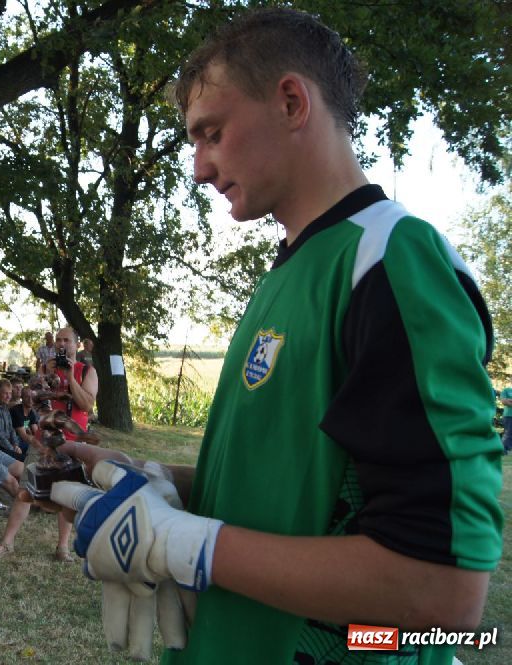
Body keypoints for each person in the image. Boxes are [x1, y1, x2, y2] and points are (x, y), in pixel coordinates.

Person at [48, 9, 503, 664]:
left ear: (291, 101)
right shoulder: (292, 268)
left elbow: (445, 593)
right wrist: (163, 485)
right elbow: (300, 492)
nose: (199, 168)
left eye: (212, 133)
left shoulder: (390, 262)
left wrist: (187, 543)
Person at [0, 326, 97, 561]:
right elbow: (32, 402)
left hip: (72, 441)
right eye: (58, 340)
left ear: (76, 345)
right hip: (44, 440)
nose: (61, 344)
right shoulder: (45, 368)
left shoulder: (87, 371)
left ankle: (62, 548)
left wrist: (70, 377)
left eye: (66, 341)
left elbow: (87, 405)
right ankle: (6, 542)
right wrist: (43, 378)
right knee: (26, 489)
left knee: (68, 494)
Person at [500, 385, 512, 454]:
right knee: (508, 434)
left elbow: (507, 401)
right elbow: (504, 401)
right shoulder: (506, 390)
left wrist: (510, 400)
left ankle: (508, 449)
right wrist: (507, 401)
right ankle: (502, 450)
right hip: (509, 415)